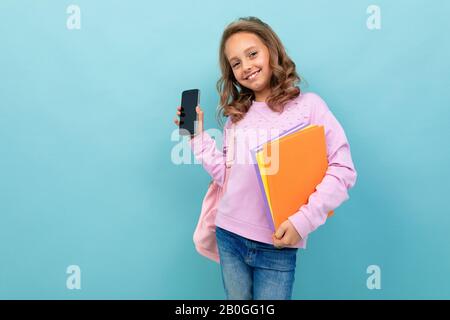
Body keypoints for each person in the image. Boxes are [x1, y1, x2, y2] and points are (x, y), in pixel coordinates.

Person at [173, 16, 357, 300]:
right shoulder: (237, 119)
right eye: (236, 63)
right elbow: (227, 178)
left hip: (277, 246)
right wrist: (196, 136)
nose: (246, 66)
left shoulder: (310, 108)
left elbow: (343, 170)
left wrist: (302, 221)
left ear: (271, 50)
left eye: (252, 53)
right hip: (229, 235)